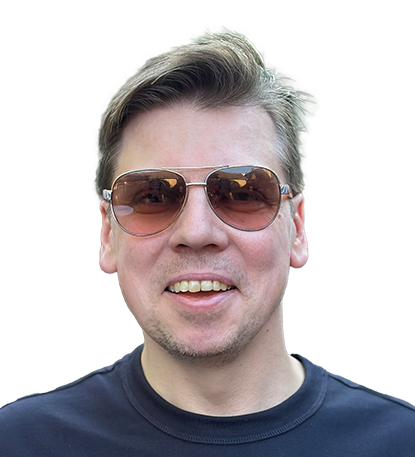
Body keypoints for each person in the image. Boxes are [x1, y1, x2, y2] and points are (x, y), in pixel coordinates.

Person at [1, 31, 414, 456]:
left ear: (297, 228)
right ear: (109, 235)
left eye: (242, 193)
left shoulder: (400, 444)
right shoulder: (21, 443)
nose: (197, 233)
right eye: (152, 197)